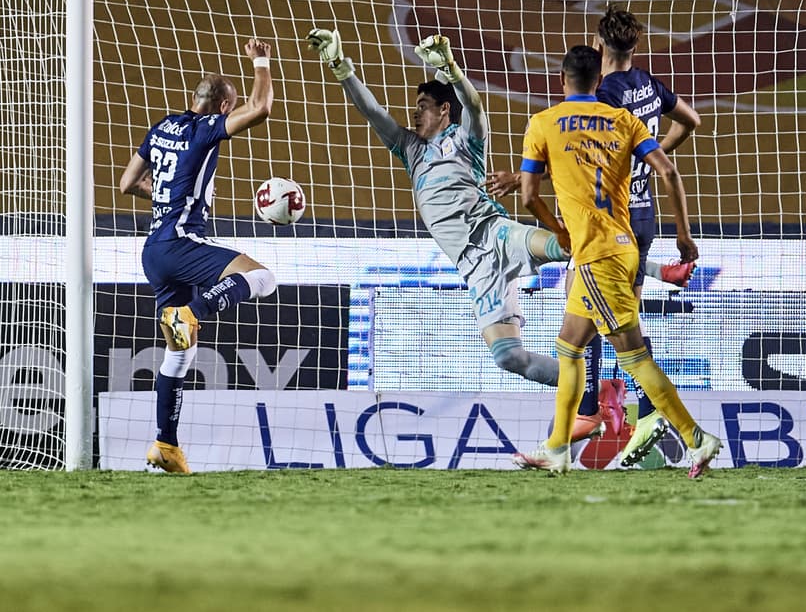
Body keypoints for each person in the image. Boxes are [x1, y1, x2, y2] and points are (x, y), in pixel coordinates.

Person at [486, 6, 701, 465]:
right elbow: (692, 122)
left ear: (599, 50)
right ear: (634, 46)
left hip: (599, 234)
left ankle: (663, 426)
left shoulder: (599, 99)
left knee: (627, 344)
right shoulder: (646, 86)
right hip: (638, 219)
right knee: (577, 341)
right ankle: (570, 439)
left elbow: (581, 164)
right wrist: (649, 157)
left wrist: (526, 182)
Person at [307, 28, 570, 395]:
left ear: (444, 109)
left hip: (496, 233)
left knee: (568, 247)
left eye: (422, 107)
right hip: (474, 267)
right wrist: (341, 68)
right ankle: (590, 384)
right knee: (508, 358)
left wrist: (452, 70)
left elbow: (475, 106)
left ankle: (619, 291)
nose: (414, 114)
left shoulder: (467, 139)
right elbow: (372, 112)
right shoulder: (410, 150)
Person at [118, 39, 279, 474]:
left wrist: (167, 196)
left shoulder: (161, 127)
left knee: (180, 354)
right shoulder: (208, 127)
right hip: (183, 242)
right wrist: (260, 61)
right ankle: (192, 311)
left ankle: (165, 447)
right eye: (231, 105)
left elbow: (127, 183)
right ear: (223, 106)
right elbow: (260, 107)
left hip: (153, 250)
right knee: (263, 277)